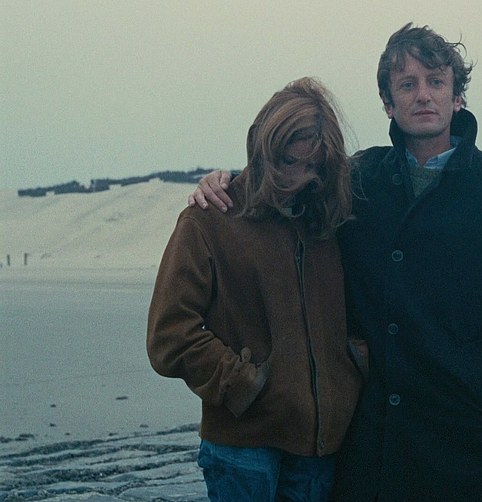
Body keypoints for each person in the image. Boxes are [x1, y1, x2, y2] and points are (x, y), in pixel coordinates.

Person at [191, 23, 482, 501]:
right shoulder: (357, 181)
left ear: (457, 97)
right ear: (388, 103)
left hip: (465, 440)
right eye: (407, 85)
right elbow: (286, 192)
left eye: (435, 81)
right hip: (370, 443)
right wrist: (230, 182)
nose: (423, 95)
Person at [148, 77, 367, 501]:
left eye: (314, 167)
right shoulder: (209, 218)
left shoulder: (329, 219)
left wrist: (352, 370)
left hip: (321, 448)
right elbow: (168, 335)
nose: (300, 178)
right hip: (242, 449)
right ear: (263, 146)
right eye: (290, 161)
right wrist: (241, 384)